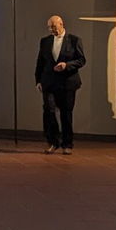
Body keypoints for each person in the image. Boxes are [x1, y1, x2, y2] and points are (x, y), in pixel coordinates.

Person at [35, 15, 86, 154]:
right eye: (49, 27)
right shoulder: (45, 41)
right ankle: (52, 142)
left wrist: (67, 65)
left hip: (67, 82)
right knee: (49, 111)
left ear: (61, 24)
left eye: (54, 26)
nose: (52, 30)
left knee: (66, 113)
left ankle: (67, 144)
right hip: (49, 82)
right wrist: (38, 80)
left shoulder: (74, 40)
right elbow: (40, 62)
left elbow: (81, 60)